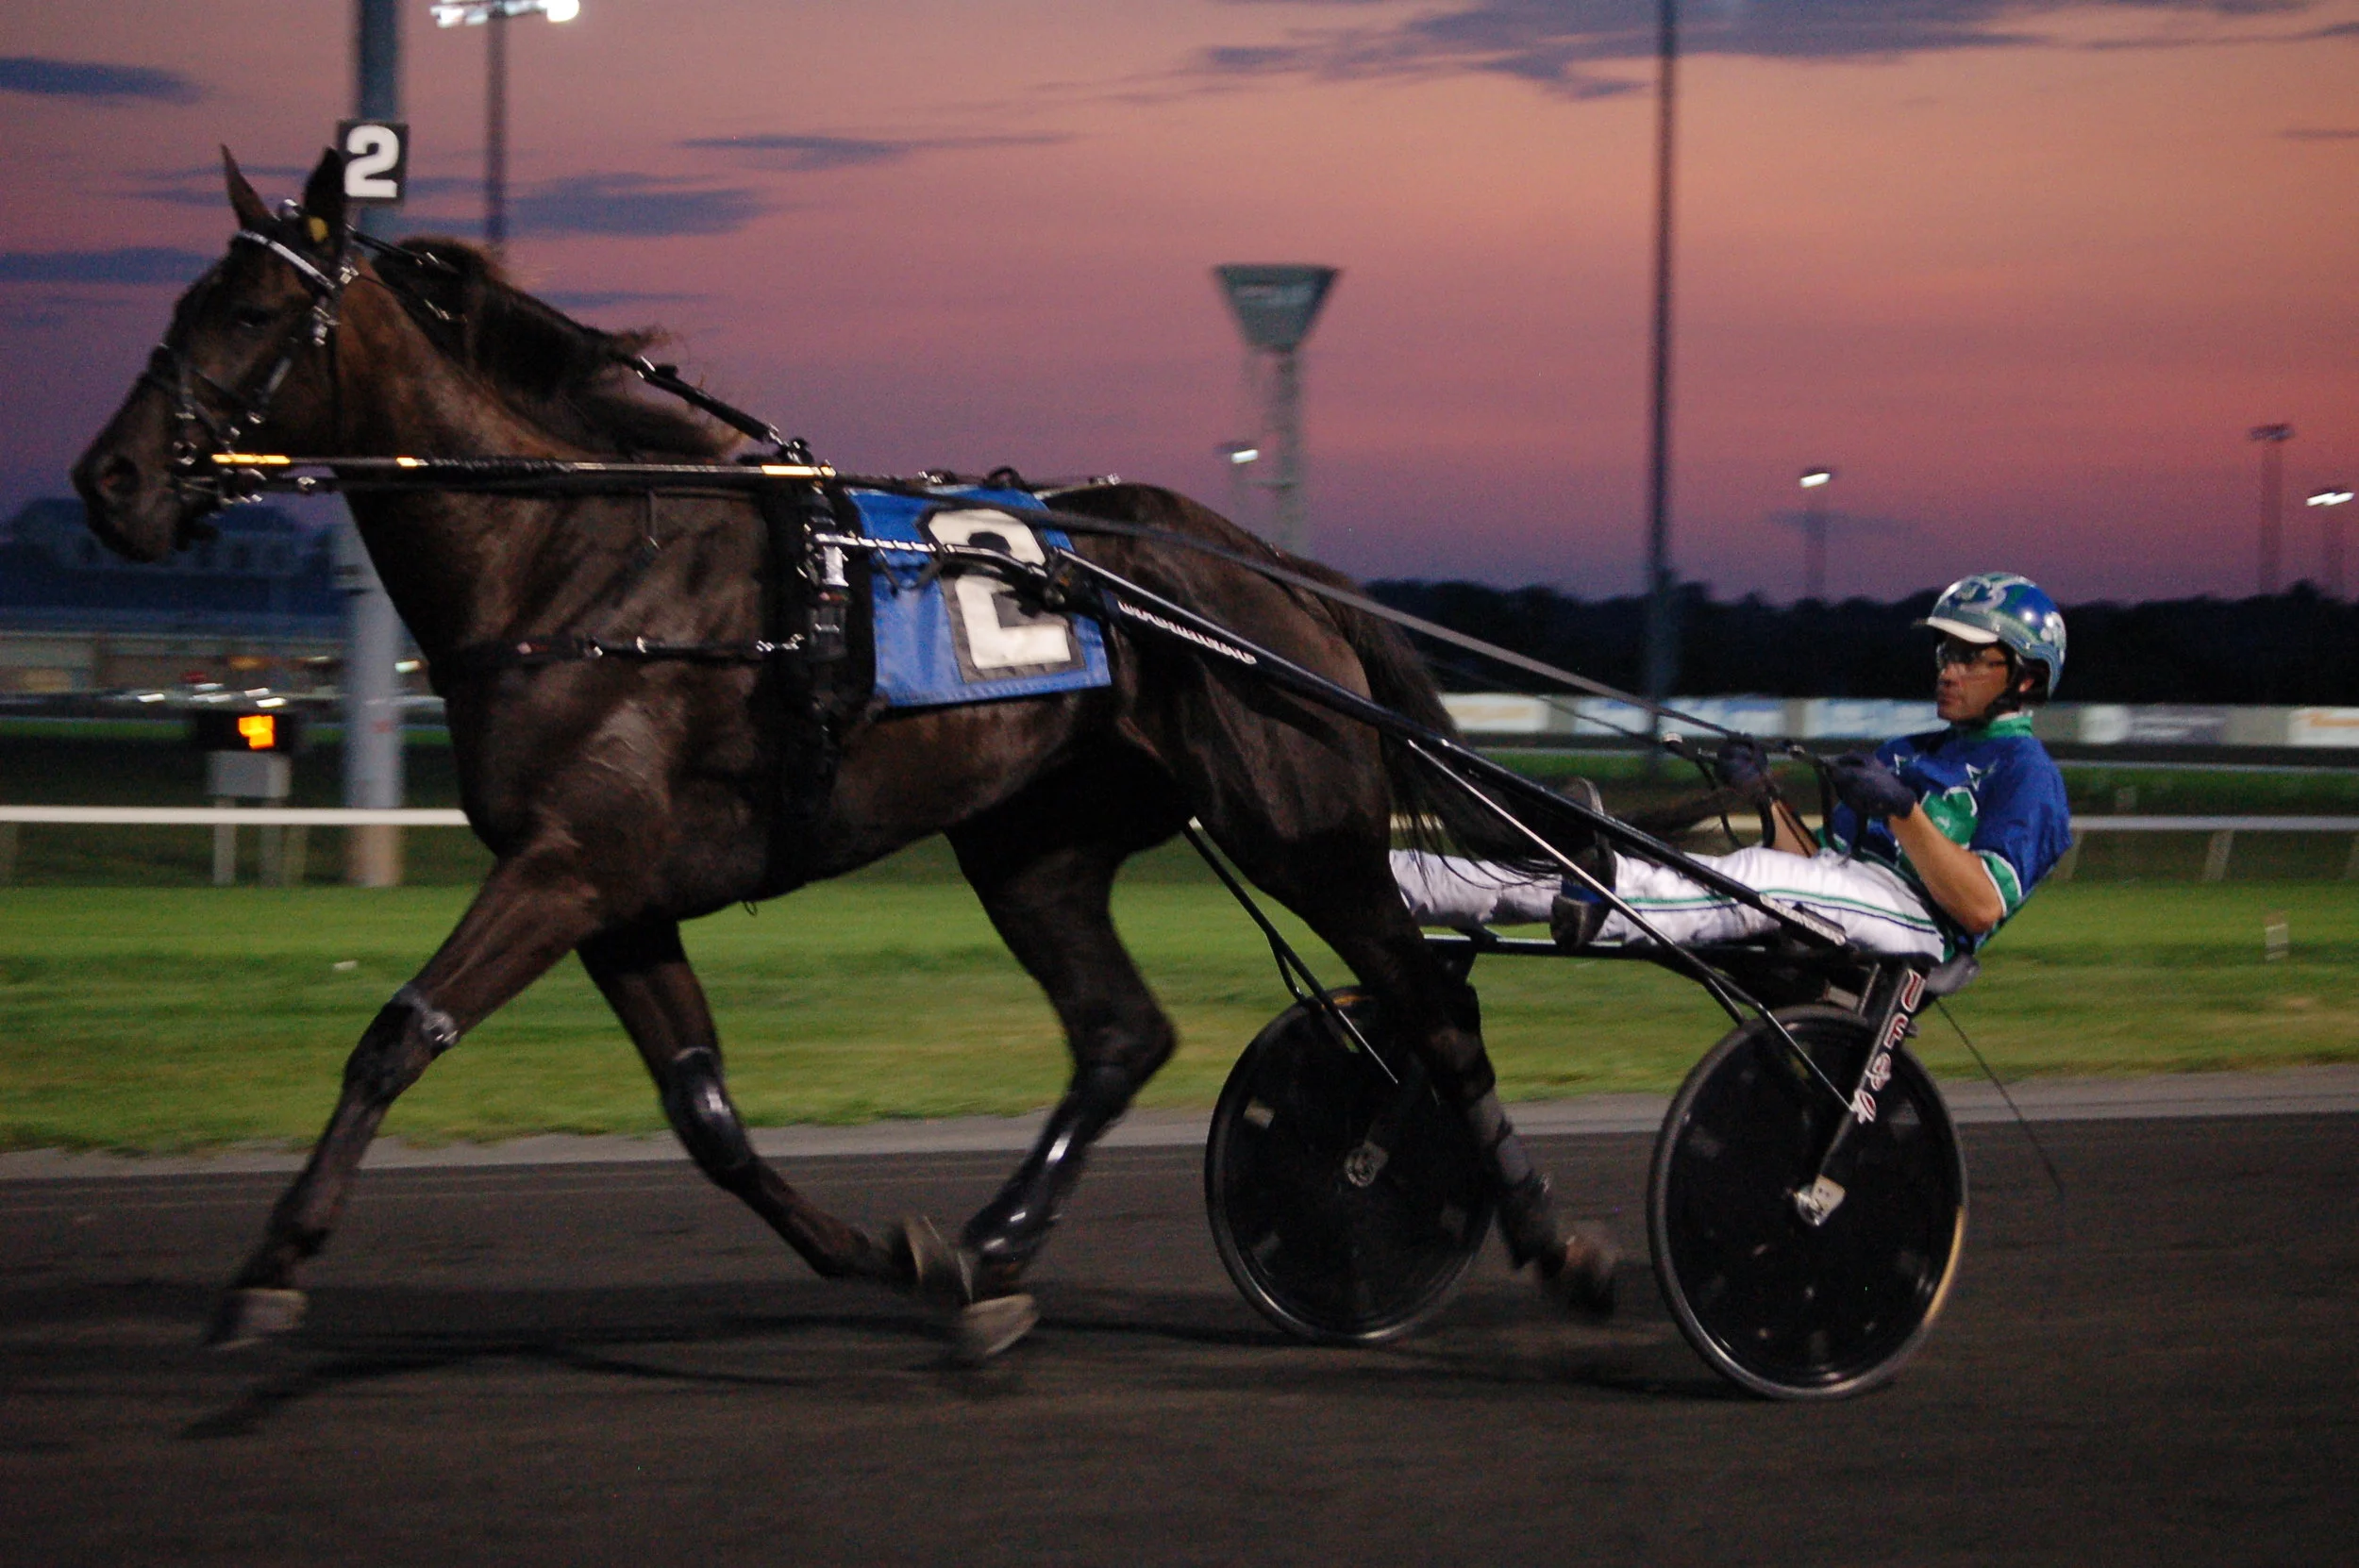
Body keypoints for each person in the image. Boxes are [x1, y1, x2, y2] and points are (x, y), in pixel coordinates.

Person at [1392, 573, 2074, 960]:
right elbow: (1812, 867)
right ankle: (1403, 878)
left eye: (1970, 657)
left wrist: (1903, 811)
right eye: (1945, 653)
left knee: (1746, 875)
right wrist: (1761, 796)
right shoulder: (1909, 748)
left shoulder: (2028, 774)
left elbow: (1980, 907)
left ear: (2025, 676)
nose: (1948, 670)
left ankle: (1608, 896)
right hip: (1842, 898)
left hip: (1916, 925)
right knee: (1617, 867)